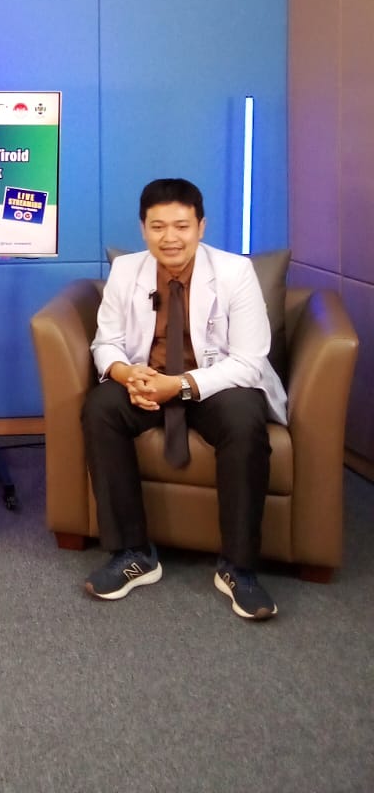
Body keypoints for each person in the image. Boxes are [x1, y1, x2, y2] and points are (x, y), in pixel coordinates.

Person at [82, 177, 287, 620]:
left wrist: (178, 385)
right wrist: (126, 374)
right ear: (143, 229)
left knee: (244, 416)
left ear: (201, 227)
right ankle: (133, 553)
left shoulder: (235, 272)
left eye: (181, 226)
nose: (169, 238)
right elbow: (106, 342)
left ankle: (238, 568)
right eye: (157, 227)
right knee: (100, 408)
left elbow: (249, 361)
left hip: (215, 383)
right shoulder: (126, 271)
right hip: (148, 380)